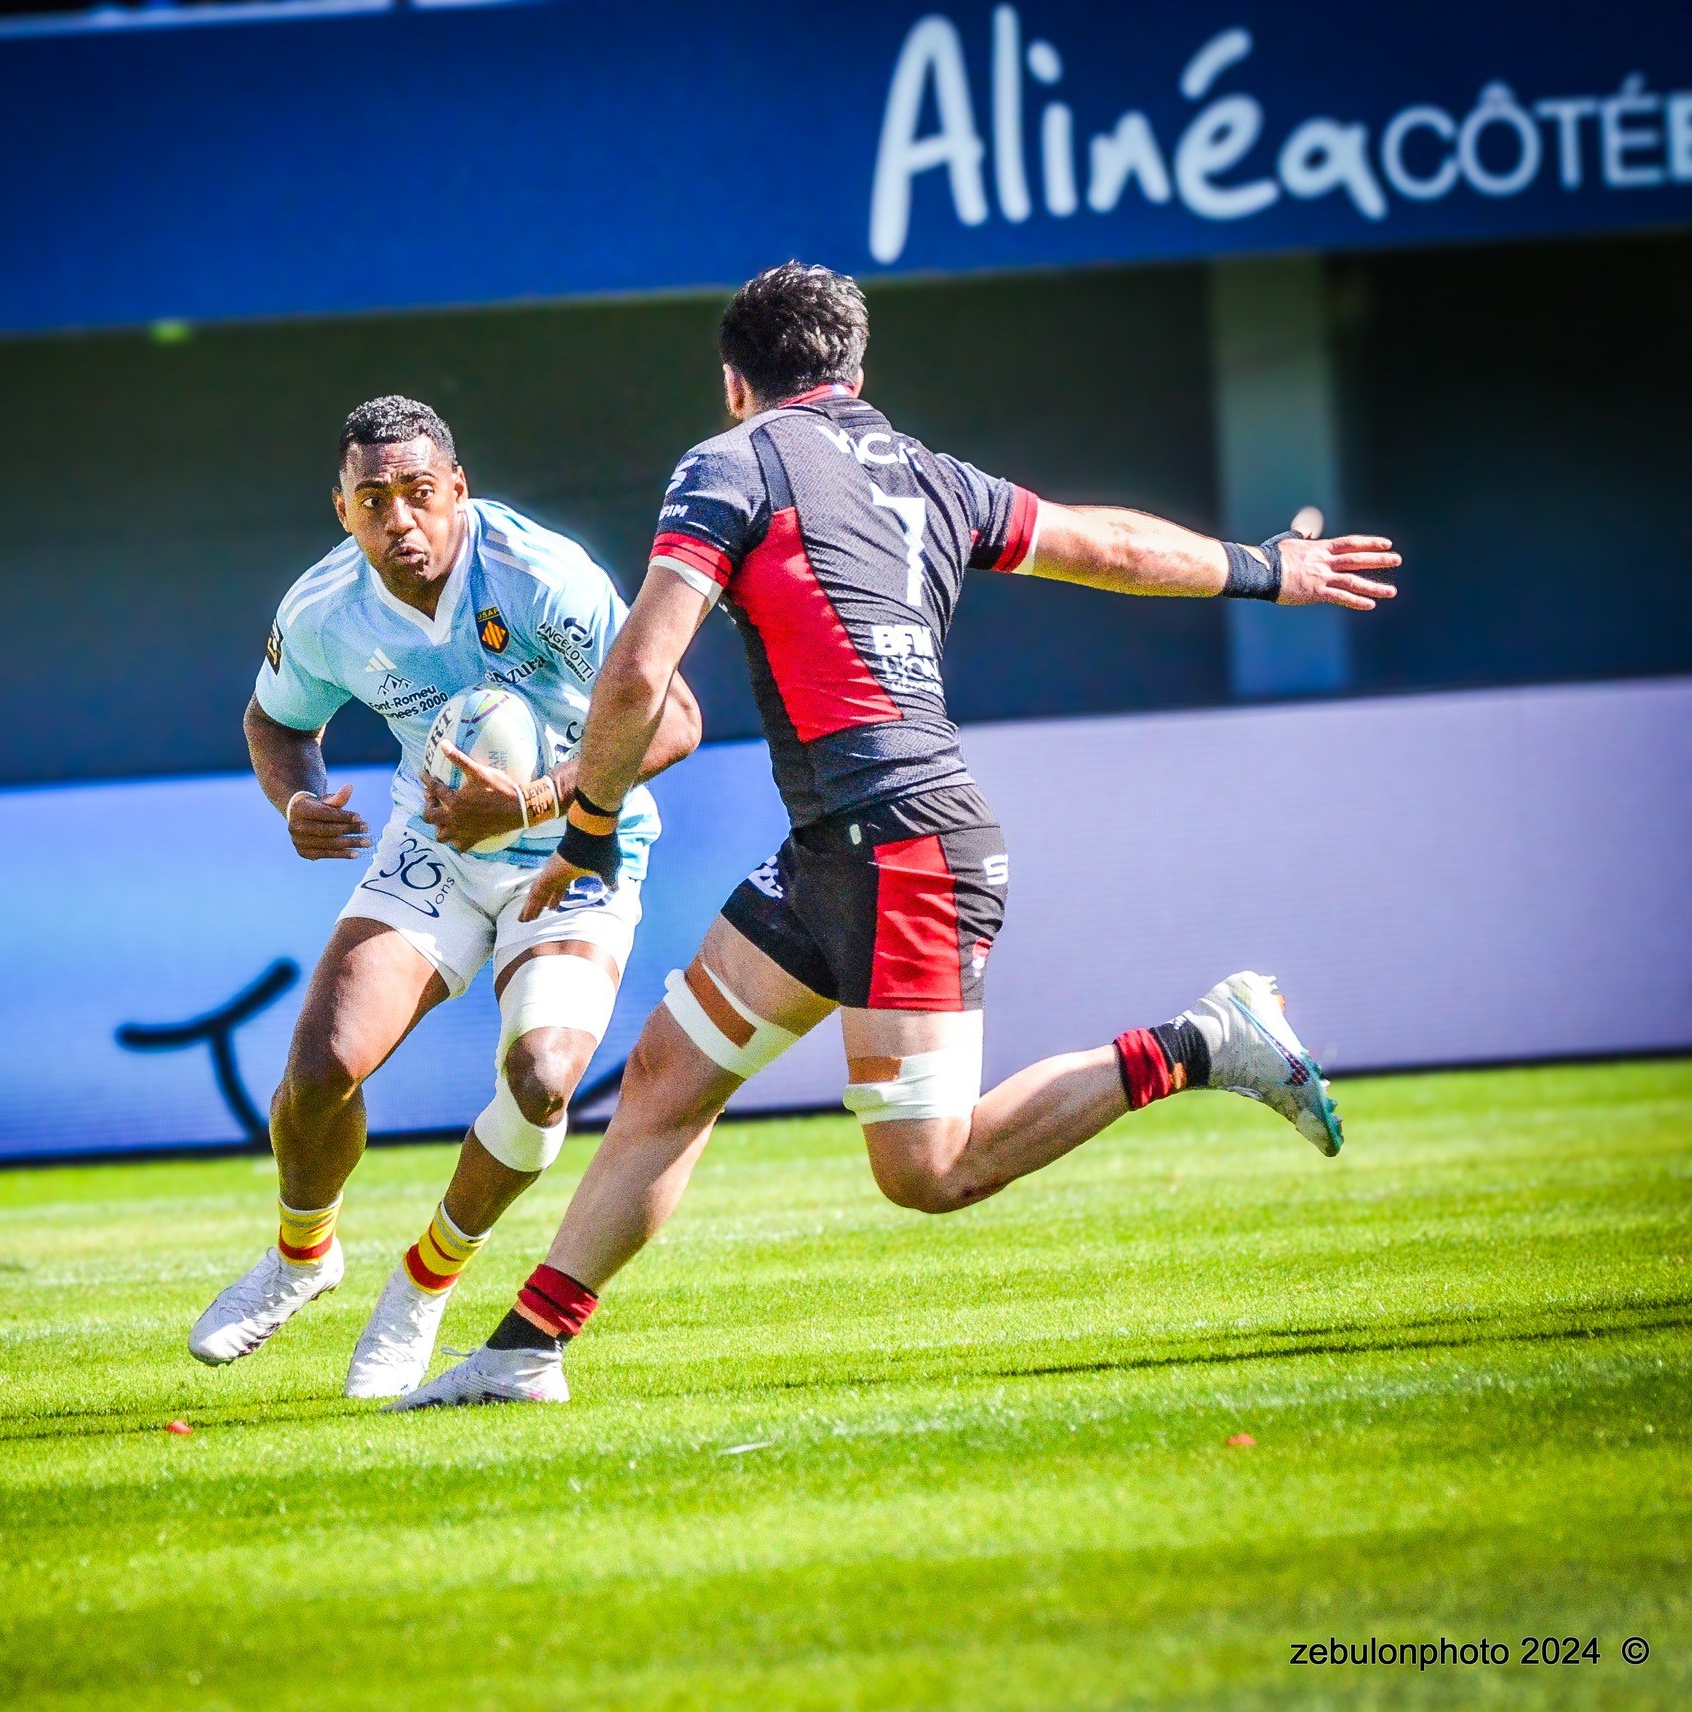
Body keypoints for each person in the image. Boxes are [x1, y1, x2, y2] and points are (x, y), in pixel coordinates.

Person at [391, 263, 1400, 1409]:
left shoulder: (727, 465)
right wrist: (1265, 568)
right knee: (670, 1073)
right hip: (836, 847)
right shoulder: (927, 474)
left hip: (901, 845)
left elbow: (636, 669)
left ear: (734, 383)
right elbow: (1108, 547)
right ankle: (526, 1347)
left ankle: (1206, 1040)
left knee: (930, 1167)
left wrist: (581, 826)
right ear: (854, 372)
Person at [189, 395, 702, 1396]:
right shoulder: (324, 608)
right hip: (435, 848)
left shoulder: (542, 577)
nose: (399, 521)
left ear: (456, 490)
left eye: (419, 494)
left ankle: (422, 1283)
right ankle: (303, 1255)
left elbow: (676, 719)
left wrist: (536, 800)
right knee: (320, 1065)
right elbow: (273, 721)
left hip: (573, 844)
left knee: (545, 1074)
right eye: (372, 500)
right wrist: (295, 798)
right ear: (340, 508)